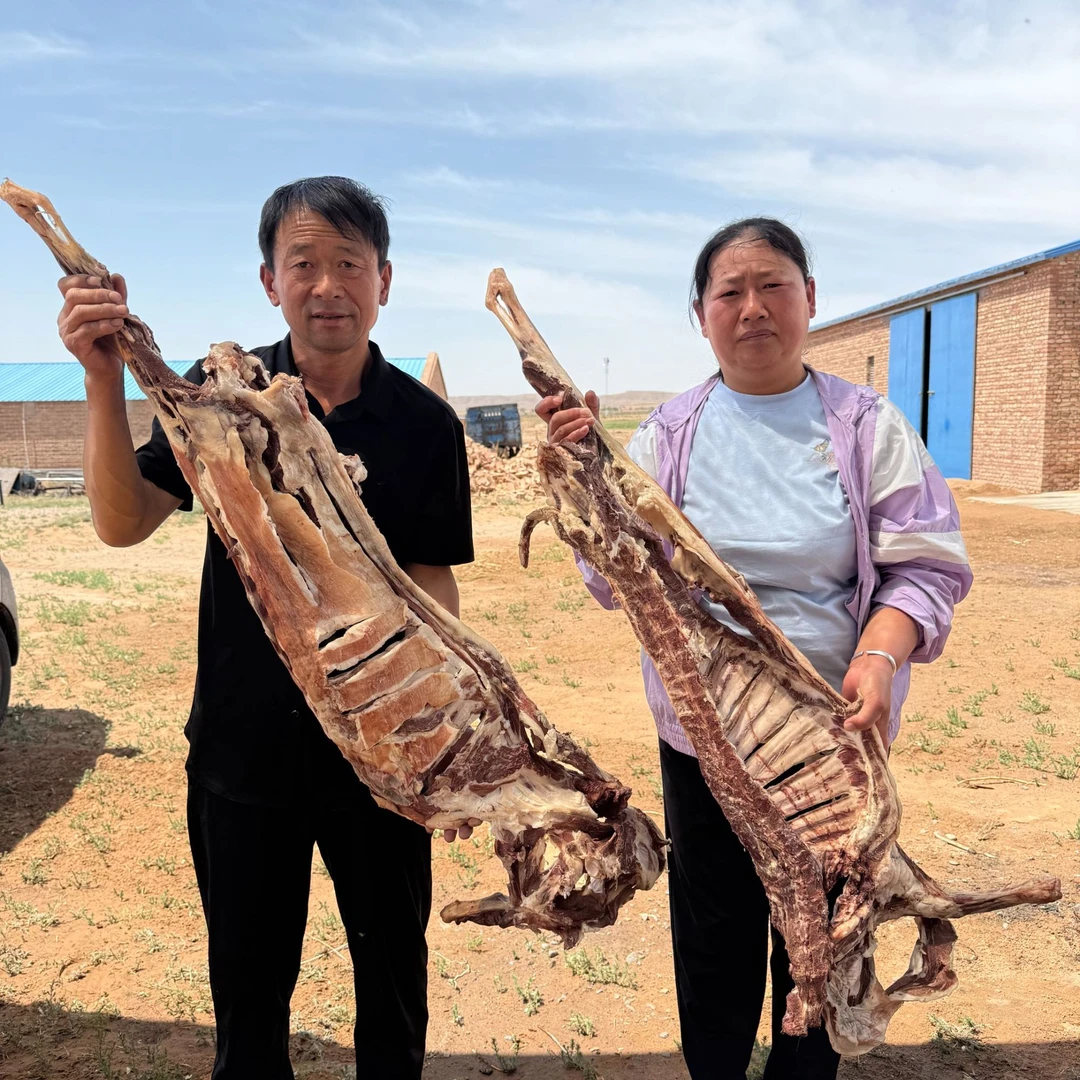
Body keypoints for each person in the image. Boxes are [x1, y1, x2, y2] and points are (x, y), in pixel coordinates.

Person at [56, 176, 474, 1080]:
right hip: (245, 755)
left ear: (385, 281)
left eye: (349, 265)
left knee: (393, 998)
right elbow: (121, 523)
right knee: (248, 1009)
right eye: (305, 265)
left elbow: (434, 581)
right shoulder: (218, 395)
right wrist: (101, 383)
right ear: (268, 281)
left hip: (381, 766)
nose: (328, 286)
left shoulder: (425, 426)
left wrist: (438, 737)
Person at [539, 218, 972, 1080]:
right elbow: (617, 580)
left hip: (828, 739)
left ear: (810, 298)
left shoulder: (864, 424)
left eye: (772, 285)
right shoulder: (670, 433)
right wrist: (587, 484)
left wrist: (881, 656)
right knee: (714, 935)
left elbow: (924, 566)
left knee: (819, 940)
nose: (753, 308)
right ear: (700, 314)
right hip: (706, 739)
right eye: (728, 292)